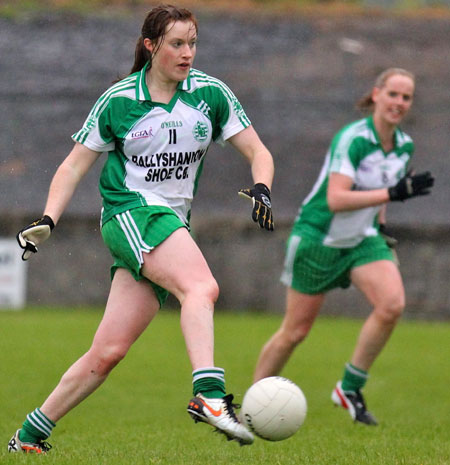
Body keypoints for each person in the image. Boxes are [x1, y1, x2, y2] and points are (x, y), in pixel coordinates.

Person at [9, 4, 275, 453]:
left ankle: (29, 435)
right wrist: (49, 217)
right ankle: (209, 395)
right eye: (176, 43)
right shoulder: (119, 101)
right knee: (202, 287)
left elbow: (258, 151)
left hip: (167, 223)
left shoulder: (210, 94)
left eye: (192, 42)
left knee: (107, 353)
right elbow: (73, 166)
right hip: (129, 214)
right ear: (151, 46)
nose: (187, 52)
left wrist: (263, 187)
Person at [253, 68, 434, 425]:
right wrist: (394, 194)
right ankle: (252, 407)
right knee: (295, 332)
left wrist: (381, 227)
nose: (399, 103)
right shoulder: (353, 138)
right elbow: (336, 199)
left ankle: (349, 388)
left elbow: (381, 192)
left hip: (362, 240)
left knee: (392, 304)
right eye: (393, 94)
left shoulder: (404, 145)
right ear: (377, 95)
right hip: (319, 238)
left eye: (406, 97)